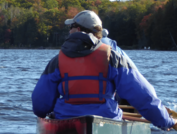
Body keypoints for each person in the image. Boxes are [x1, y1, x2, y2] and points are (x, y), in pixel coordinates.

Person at [32, 10, 177, 130]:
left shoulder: (57, 61)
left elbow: (39, 105)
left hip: (67, 123)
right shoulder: (114, 57)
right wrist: (167, 122)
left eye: (71, 27)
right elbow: (144, 96)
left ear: (78, 29)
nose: (69, 31)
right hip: (107, 122)